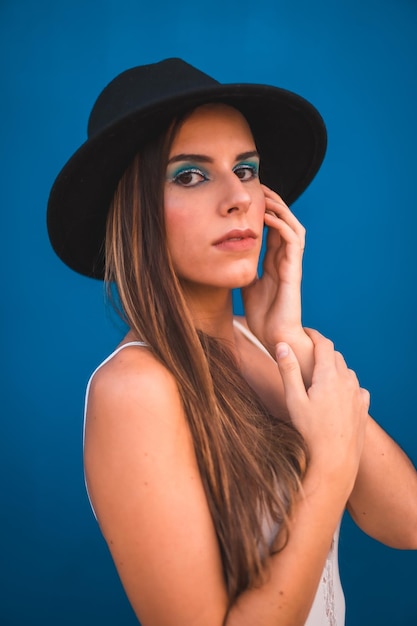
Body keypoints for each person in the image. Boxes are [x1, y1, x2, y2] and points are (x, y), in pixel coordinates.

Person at [47, 58, 417, 626]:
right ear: (134, 212)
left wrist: (290, 342)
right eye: (190, 175)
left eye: (245, 169)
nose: (238, 197)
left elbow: (407, 522)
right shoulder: (135, 390)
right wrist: (328, 472)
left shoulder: (269, 347)